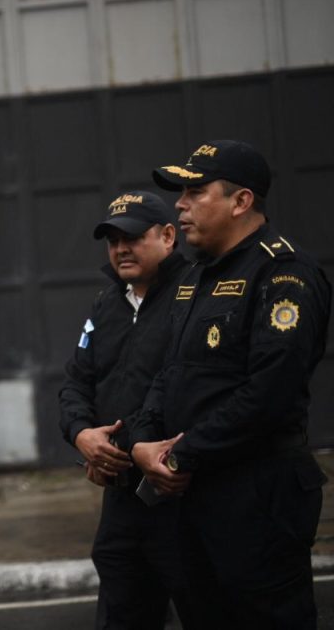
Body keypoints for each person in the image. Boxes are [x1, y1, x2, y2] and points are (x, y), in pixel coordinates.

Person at [129, 140, 332, 629]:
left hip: (258, 495)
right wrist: (142, 442)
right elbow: (169, 373)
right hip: (192, 498)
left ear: (241, 201)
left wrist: (182, 454)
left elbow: (270, 392)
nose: (179, 205)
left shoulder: (283, 272)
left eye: (195, 192)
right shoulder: (193, 280)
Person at [58, 190, 192, 629]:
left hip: (181, 492)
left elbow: (178, 385)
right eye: (112, 239)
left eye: (132, 237)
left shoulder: (194, 295)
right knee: (121, 612)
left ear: (168, 236)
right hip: (121, 495)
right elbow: (77, 381)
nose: (121, 249)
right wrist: (82, 435)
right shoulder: (107, 303)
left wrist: (123, 442)